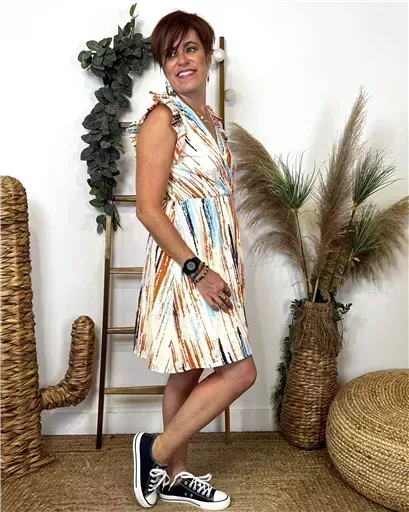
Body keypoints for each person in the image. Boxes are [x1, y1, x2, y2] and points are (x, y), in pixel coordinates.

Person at [126, 10, 257, 510]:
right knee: (240, 372)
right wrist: (196, 270)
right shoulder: (164, 119)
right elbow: (148, 208)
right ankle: (155, 451)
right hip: (187, 265)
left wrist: (223, 265)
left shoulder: (213, 123)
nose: (181, 60)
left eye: (190, 48)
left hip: (216, 262)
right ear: (163, 65)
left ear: (207, 55)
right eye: (170, 53)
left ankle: (175, 474)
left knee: (186, 371)